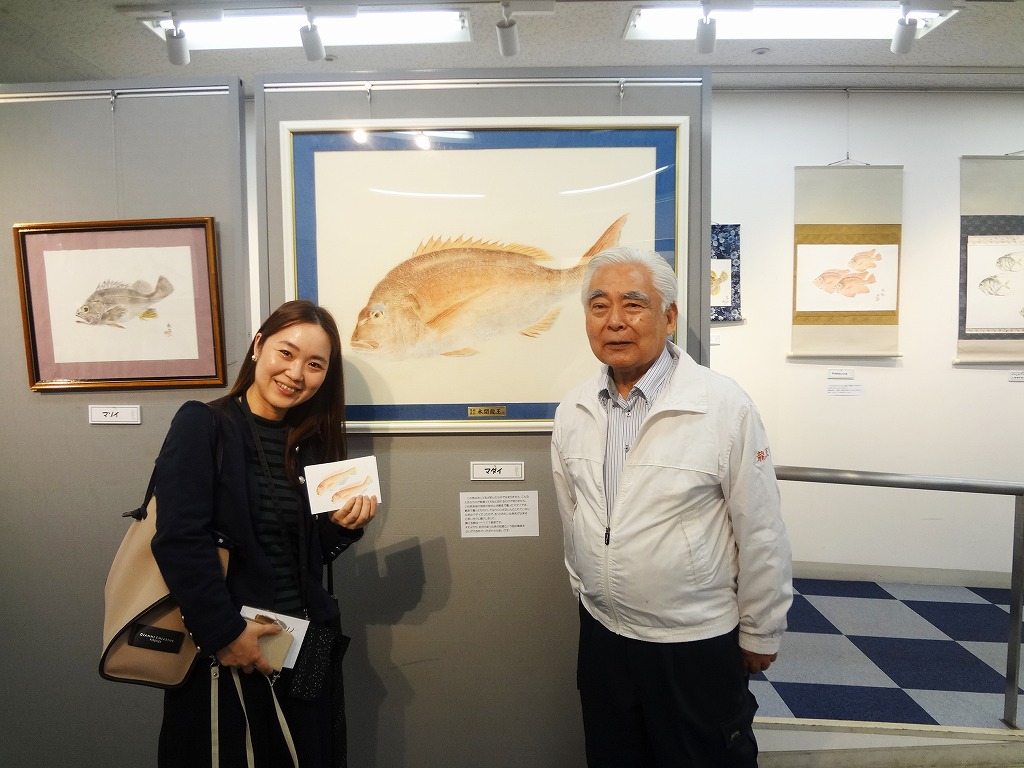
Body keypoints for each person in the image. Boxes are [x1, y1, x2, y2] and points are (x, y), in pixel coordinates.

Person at [550, 246, 792, 767]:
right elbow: (571, 513)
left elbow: (761, 527)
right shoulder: (573, 409)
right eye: (599, 305)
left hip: (692, 640)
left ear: (670, 316)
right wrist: (586, 589)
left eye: (633, 304)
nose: (615, 321)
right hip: (604, 635)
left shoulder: (723, 405)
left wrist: (761, 627)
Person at [151, 300, 378, 767]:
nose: (295, 373)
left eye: (314, 364)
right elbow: (178, 539)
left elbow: (304, 557)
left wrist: (341, 528)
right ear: (259, 345)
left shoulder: (310, 443)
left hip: (299, 646)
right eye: (286, 353)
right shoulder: (203, 423)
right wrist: (225, 634)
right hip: (229, 649)